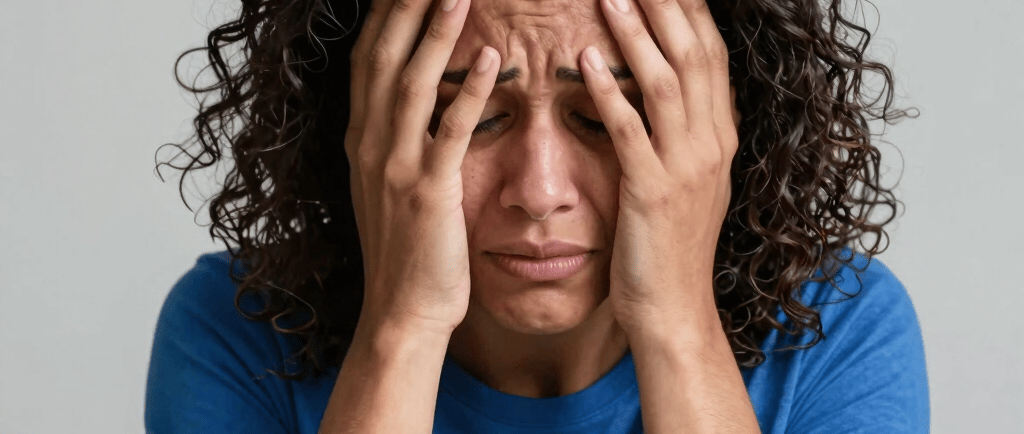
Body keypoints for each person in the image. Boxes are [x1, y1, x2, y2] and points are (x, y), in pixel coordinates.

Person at [146, 0, 928, 432]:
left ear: (717, 125)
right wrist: (403, 328)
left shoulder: (836, 330)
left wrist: (678, 327)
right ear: (365, 122)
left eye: (606, 117)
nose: (540, 190)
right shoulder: (235, 329)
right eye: (472, 116)